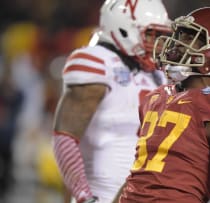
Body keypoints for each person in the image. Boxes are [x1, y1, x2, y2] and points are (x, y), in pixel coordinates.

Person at [118, 7, 210, 203]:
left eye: (189, 38)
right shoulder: (156, 98)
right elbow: (138, 175)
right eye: (180, 35)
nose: (176, 44)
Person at [52, 0, 171, 202]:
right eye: (151, 34)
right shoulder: (98, 62)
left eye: (160, 36)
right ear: (123, 28)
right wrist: (83, 196)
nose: (157, 42)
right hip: (102, 193)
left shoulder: (158, 75)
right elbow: (64, 137)